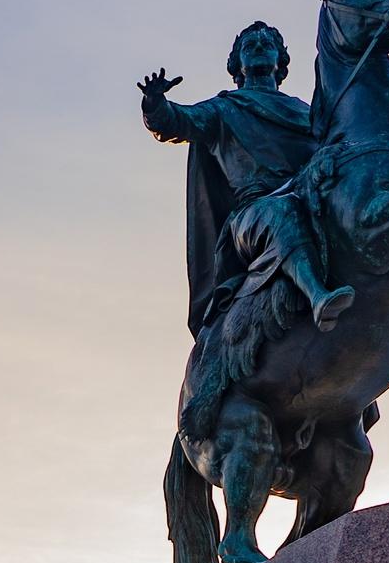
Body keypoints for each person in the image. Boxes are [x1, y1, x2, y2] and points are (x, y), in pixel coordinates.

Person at [138, 22, 353, 340]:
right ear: (236, 65)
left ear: (280, 62)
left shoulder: (307, 113)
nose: (258, 46)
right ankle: (319, 297)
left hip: (308, 199)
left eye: (267, 44)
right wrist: (156, 105)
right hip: (254, 214)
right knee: (281, 212)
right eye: (249, 45)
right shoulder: (223, 109)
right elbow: (177, 122)